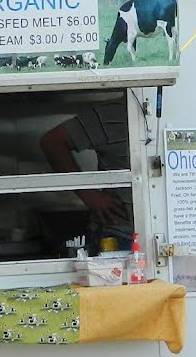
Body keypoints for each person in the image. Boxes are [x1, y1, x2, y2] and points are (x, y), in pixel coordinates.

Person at [39, 95, 133, 251]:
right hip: (118, 234)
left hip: (164, 231)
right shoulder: (115, 112)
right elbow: (52, 142)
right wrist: (89, 194)